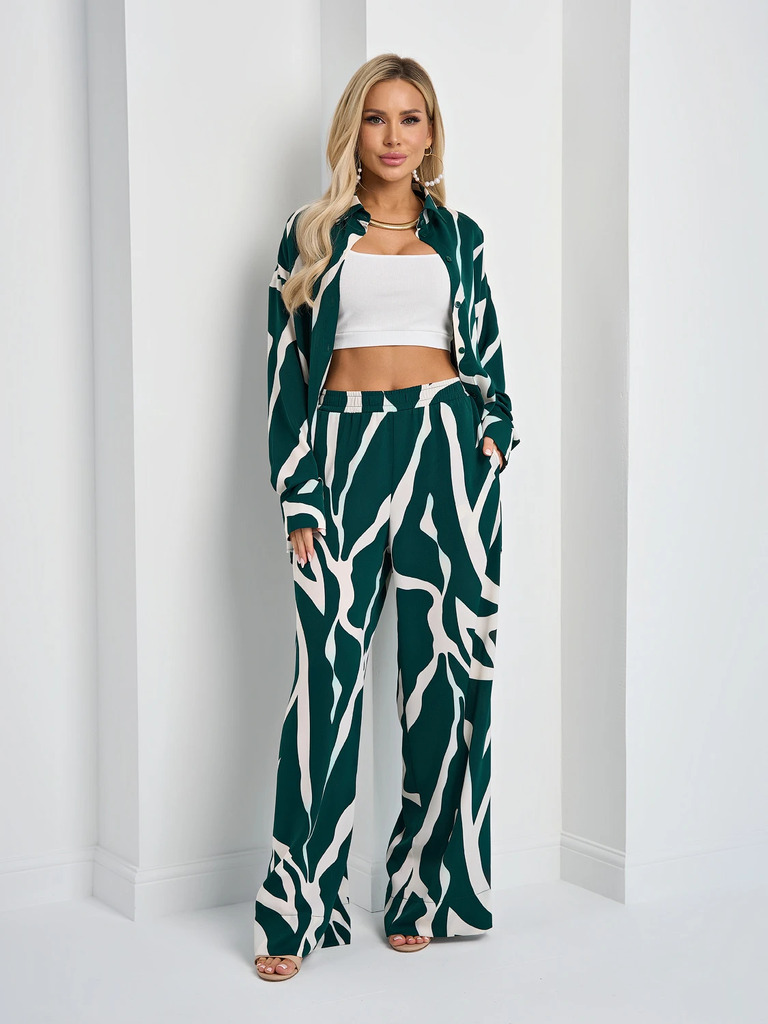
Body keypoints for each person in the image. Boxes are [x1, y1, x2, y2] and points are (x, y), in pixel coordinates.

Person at [255, 52, 520, 982]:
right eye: (377, 118)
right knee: (325, 682)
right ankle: (295, 909)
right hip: (344, 452)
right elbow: (287, 371)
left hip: (447, 451)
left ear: (431, 132)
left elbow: (487, 353)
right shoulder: (311, 235)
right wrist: (299, 487)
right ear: (354, 132)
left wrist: (493, 436)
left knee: (447, 673)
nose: (394, 136)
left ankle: (425, 892)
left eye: (411, 118)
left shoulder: (462, 237)